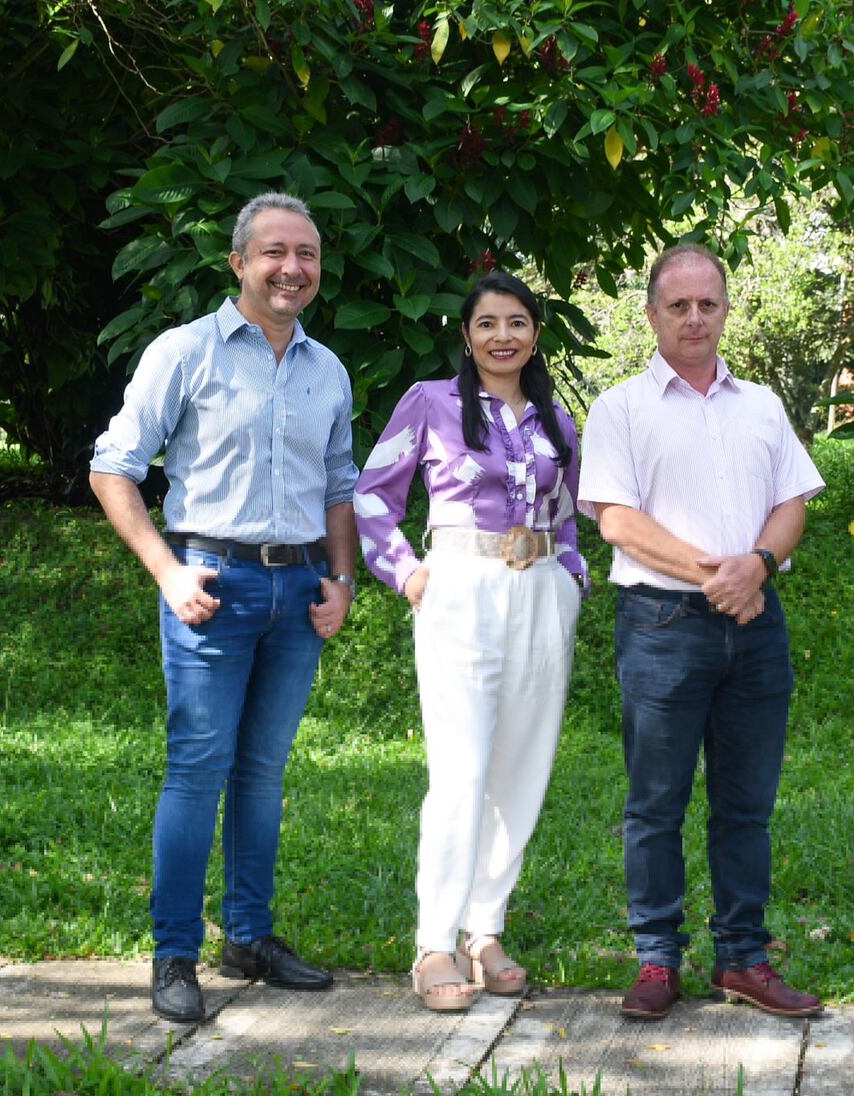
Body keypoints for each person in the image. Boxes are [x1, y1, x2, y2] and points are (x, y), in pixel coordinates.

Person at [88, 192, 358, 1023]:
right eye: (275, 251)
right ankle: (174, 953)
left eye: (306, 254)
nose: (293, 268)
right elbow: (113, 466)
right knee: (198, 771)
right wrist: (167, 572)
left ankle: (249, 937)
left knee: (263, 775)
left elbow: (340, 486)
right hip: (210, 584)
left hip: (298, 592)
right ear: (238, 262)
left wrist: (342, 580)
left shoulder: (328, 370)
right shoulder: (186, 351)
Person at [578, 243, 825, 1021]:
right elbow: (615, 519)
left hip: (757, 629)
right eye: (677, 305)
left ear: (725, 310)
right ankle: (657, 960)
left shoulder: (761, 405)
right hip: (662, 627)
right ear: (651, 313)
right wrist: (720, 577)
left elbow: (793, 504)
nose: (693, 318)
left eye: (707, 304)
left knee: (745, 805)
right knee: (656, 802)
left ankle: (743, 958)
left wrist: (756, 565)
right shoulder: (619, 407)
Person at [355, 271, 586, 1012]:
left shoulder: (555, 415)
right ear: (465, 335)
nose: (503, 337)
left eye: (517, 322)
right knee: (461, 769)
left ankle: (486, 930)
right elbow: (371, 496)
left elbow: (574, 508)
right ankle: (434, 943)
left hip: (541, 590)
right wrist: (409, 575)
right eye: (487, 324)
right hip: (461, 587)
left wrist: (573, 576)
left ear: (534, 334)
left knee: (523, 766)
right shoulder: (431, 403)